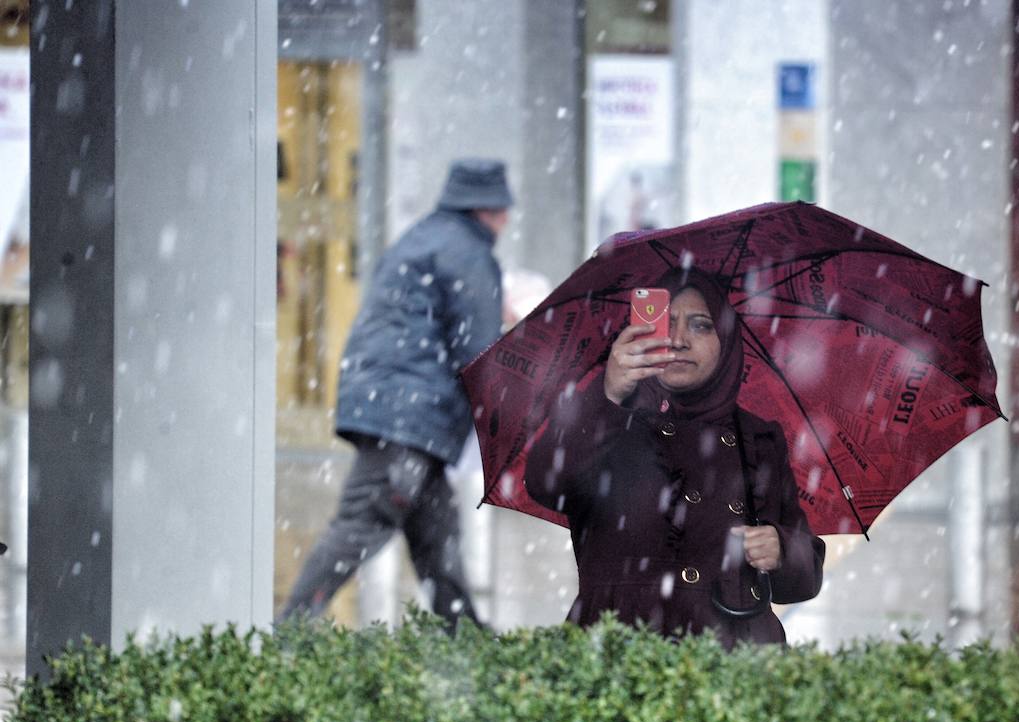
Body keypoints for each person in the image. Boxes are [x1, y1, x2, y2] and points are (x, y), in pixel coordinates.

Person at [524, 268, 825, 647]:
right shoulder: (608, 421)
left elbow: (807, 575)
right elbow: (545, 482)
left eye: (701, 326)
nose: (679, 340)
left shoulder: (759, 440)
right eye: (665, 325)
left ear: (727, 340)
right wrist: (609, 394)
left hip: (734, 659)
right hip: (620, 657)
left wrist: (782, 550)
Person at [277, 159, 513, 632]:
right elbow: (479, 353)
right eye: (505, 210)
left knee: (436, 539)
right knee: (362, 523)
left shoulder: (424, 238)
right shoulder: (469, 253)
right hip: (410, 414)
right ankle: (288, 634)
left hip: (394, 404)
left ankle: (466, 639)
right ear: (491, 209)